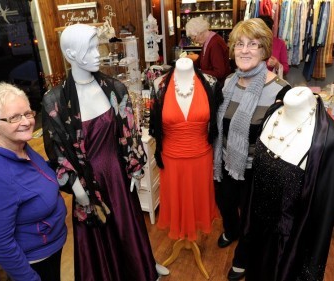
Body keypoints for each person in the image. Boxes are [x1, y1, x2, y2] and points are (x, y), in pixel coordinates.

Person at [41, 24, 166, 281]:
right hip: (87, 183)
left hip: (118, 175)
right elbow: (57, 152)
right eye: (90, 48)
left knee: (129, 228)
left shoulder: (114, 88)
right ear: (72, 54)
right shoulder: (54, 102)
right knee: (99, 236)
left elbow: (128, 131)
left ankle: (144, 266)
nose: (99, 53)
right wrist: (76, 187)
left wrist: (135, 165)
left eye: (97, 46)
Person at [212, 18, 291, 280]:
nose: (245, 51)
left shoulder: (280, 92)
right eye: (239, 45)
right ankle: (230, 230)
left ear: (264, 49)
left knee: (251, 219)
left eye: (253, 44)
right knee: (224, 203)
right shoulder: (228, 83)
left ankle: (242, 257)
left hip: (256, 171)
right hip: (225, 161)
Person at [0, 83, 67, 281]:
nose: (27, 122)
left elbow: (29, 178)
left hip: (51, 249)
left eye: (28, 113)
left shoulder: (16, 144)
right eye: (14, 117)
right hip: (36, 262)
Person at [244, 86, 334, 280]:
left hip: (287, 246)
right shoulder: (272, 114)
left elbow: (324, 212)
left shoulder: (326, 139)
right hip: (257, 230)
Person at [150, 57, 221, 241]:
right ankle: (182, 235)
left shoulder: (211, 83)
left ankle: (191, 236)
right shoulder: (158, 85)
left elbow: (215, 125)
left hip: (201, 157)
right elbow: (154, 125)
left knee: (197, 201)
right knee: (176, 202)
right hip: (171, 158)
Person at [185, 16, 231, 86]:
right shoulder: (207, 41)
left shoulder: (215, 43)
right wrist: (187, 65)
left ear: (199, 33)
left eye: (194, 38)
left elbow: (219, 72)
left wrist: (198, 72)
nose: (195, 41)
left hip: (218, 87)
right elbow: (200, 62)